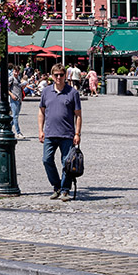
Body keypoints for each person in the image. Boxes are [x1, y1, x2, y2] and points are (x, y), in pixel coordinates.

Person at [38, 63, 82, 201]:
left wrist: (77, 133)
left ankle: (65, 190)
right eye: (56, 75)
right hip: (50, 133)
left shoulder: (73, 93)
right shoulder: (46, 92)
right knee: (46, 160)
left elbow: (78, 115)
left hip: (67, 134)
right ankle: (56, 185)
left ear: (66, 76)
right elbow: (41, 111)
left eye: (61, 75)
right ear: (52, 76)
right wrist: (40, 130)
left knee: (67, 163)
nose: (58, 77)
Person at [8, 64, 25, 139]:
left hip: (19, 99)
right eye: (15, 71)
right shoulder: (11, 78)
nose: (16, 73)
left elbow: (19, 87)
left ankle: (7, 128)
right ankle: (18, 132)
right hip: (14, 99)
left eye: (17, 71)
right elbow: (7, 88)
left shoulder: (18, 78)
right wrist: (11, 95)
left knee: (14, 116)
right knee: (15, 116)